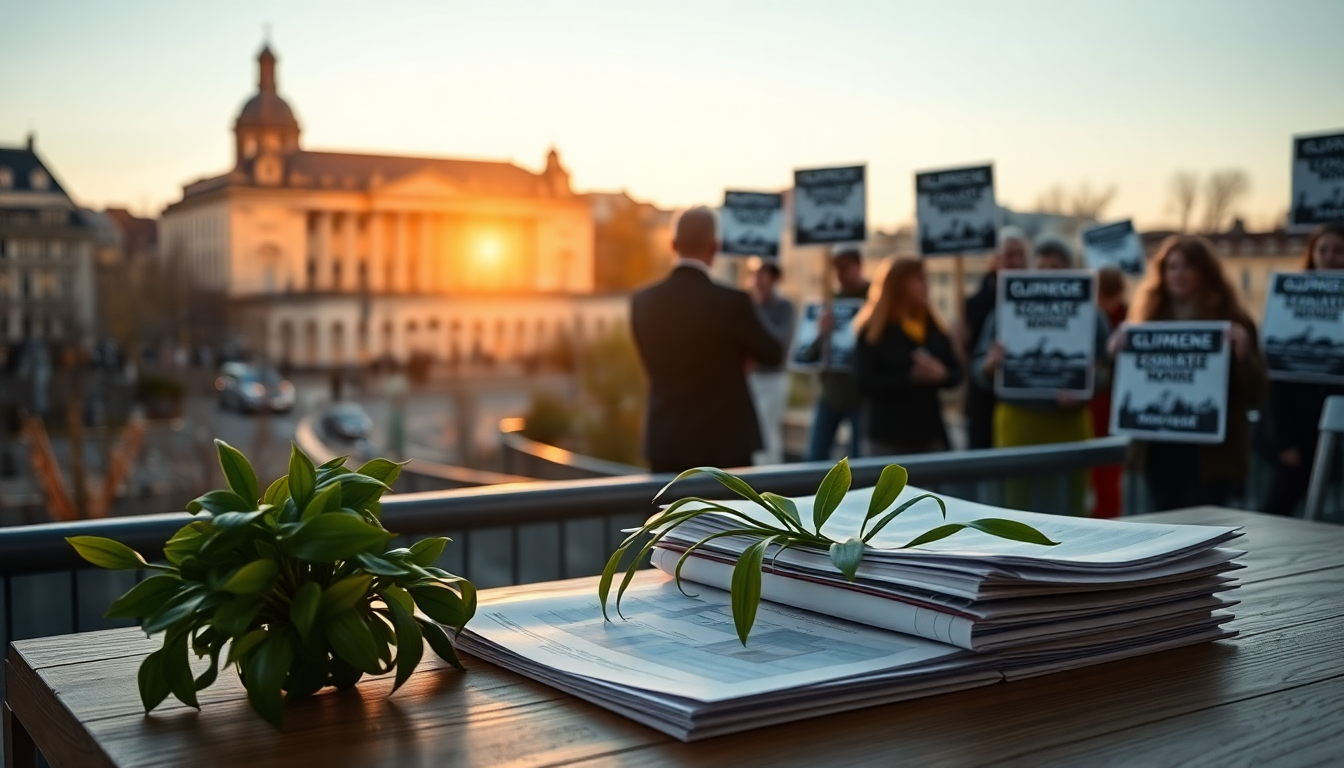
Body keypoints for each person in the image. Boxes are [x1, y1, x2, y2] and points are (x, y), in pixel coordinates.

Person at [1116, 235, 1268, 512]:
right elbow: (1128, 386)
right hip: (1159, 450)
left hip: (1211, 456)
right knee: (1165, 532)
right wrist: (1117, 354)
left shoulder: (1235, 322)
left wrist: (1243, 354)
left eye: (1187, 266)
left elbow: (1257, 392)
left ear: (1205, 271)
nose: (1178, 274)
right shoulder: (1146, 322)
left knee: (1205, 533)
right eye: (1171, 267)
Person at [630, 207, 783, 473]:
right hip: (725, 445)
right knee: (725, 517)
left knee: (673, 517)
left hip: (667, 443)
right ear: (715, 248)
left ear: (672, 245)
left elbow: (653, 362)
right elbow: (773, 353)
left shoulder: (643, 302)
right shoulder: (733, 303)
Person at [973, 237, 1112, 514]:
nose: (1048, 273)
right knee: (1017, 511)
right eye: (1042, 266)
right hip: (1018, 426)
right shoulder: (1004, 313)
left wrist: (1088, 388)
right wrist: (990, 365)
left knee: (1069, 513)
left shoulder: (1092, 316)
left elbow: (1108, 368)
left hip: (1069, 425)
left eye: (1056, 267)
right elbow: (977, 370)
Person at [1262, 222, 1344, 515]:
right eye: (1323, 249)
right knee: (1275, 514)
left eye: (1338, 250)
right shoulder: (1287, 305)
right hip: (1299, 435)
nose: (1330, 257)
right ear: (1312, 254)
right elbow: (1276, 381)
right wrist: (1283, 441)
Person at [855, 258, 962, 455]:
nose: (926, 285)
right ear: (898, 285)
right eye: (919, 279)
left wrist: (942, 374)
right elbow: (864, 384)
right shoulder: (873, 332)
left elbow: (956, 374)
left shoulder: (934, 328)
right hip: (887, 440)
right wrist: (910, 378)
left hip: (929, 437)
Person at [800, 248, 870, 461]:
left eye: (845, 268)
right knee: (815, 457)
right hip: (831, 391)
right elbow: (807, 355)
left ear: (859, 266)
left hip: (862, 394)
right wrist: (822, 332)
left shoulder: (874, 297)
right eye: (836, 269)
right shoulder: (830, 300)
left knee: (861, 459)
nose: (839, 274)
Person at [963, 227, 1029, 450]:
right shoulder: (975, 304)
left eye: (1021, 255)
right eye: (1010, 255)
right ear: (995, 259)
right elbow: (969, 359)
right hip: (985, 405)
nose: (1017, 261)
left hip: (1022, 407)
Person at [1089, 266, 1128, 518]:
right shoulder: (1133, 316)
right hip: (1107, 406)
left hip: (1103, 407)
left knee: (1102, 478)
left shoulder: (1127, 319)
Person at [748, 261, 796, 465]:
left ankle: (770, 476)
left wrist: (755, 312)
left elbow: (779, 342)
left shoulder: (785, 307)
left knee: (767, 431)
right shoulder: (750, 305)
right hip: (752, 377)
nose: (757, 279)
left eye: (762, 274)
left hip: (774, 378)